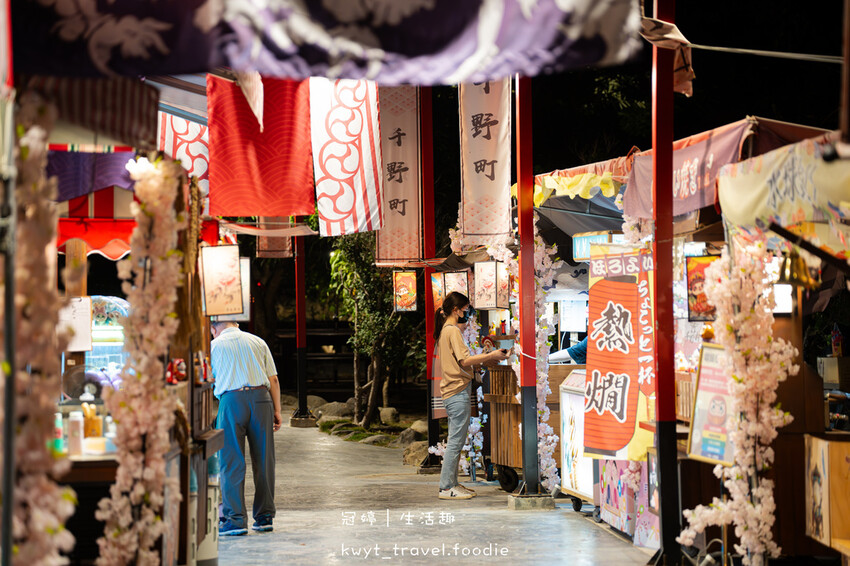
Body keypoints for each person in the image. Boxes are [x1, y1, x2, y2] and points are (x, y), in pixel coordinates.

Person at [435, 292, 509, 500]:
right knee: (456, 441)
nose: (467, 314)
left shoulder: (446, 331)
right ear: (455, 310)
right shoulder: (452, 331)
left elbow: (463, 361)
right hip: (457, 391)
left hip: (455, 390)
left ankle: (452, 483)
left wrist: (485, 357)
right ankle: (446, 486)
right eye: (465, 310)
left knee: (456, 440)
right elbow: (465, 361)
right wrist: (490, 356)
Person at [210, 320, 282, 536]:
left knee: (231, 460)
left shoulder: (214, 347)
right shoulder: (258, 341)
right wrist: (277, 410)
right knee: (264, 459)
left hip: (231, 401)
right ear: (236, 323)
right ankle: (264, 517)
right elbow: (274, 379)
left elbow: (208, 378)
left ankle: (235, 520)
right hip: (261, 399)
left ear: (214, 329)